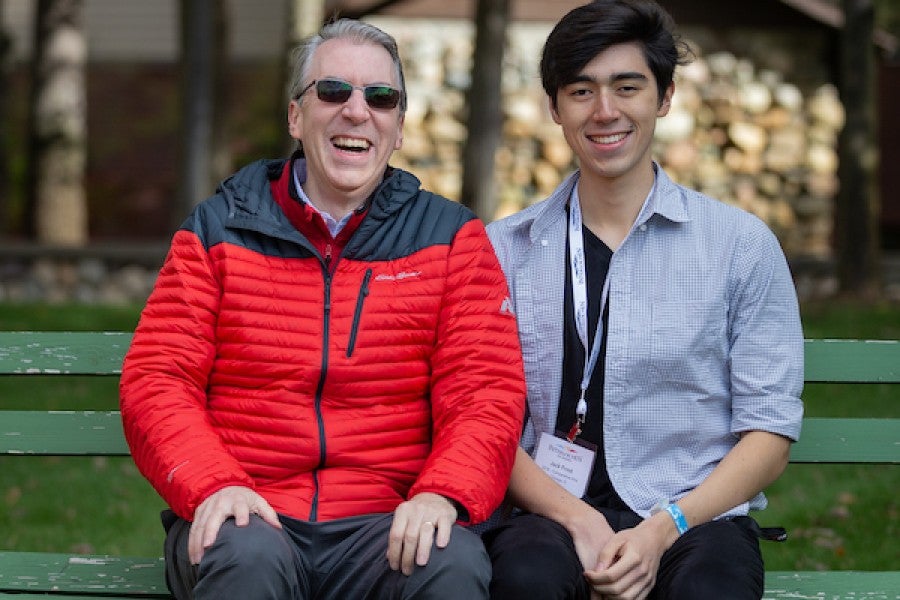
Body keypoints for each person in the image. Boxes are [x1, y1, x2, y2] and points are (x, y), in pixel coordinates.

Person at [119, 18, 526, 600]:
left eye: (380, 98)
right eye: (333, 91)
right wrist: (214, 485)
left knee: (449, 562)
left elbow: (486, 389)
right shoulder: (218, 229)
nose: (357, 112)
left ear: (399, 127)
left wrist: (443, 493)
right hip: (251, 515)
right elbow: (157, 378)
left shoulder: (450, 238)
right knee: (245, 555)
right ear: (295, 116)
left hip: (385, 524)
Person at [482, 1, 804, 599]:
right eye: (581, 91)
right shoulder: (503, 251)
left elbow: (769, 428)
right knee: (523, 581)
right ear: (553, 107)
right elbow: (484, 417)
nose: (605, 111)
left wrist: (665, 528)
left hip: (694, 518)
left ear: (664, 96)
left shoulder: (739, 246)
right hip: (547, 514)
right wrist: (579, 518)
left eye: (627, 87)